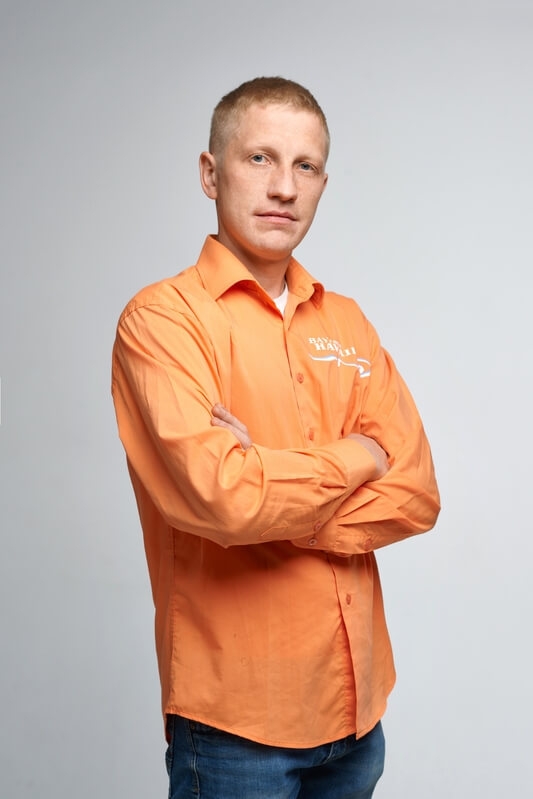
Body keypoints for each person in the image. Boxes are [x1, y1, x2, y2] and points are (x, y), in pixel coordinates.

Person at [111, 76, 440, 799]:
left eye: (305, 165)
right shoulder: (163, 321)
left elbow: (416, 494)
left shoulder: (347, 321)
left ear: (322, 183)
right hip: (236, 728)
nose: (284, 186)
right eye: (259, 158)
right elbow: (227, 500)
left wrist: (267, 477)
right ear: (211, 173)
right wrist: (360, 456)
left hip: (357, 716)